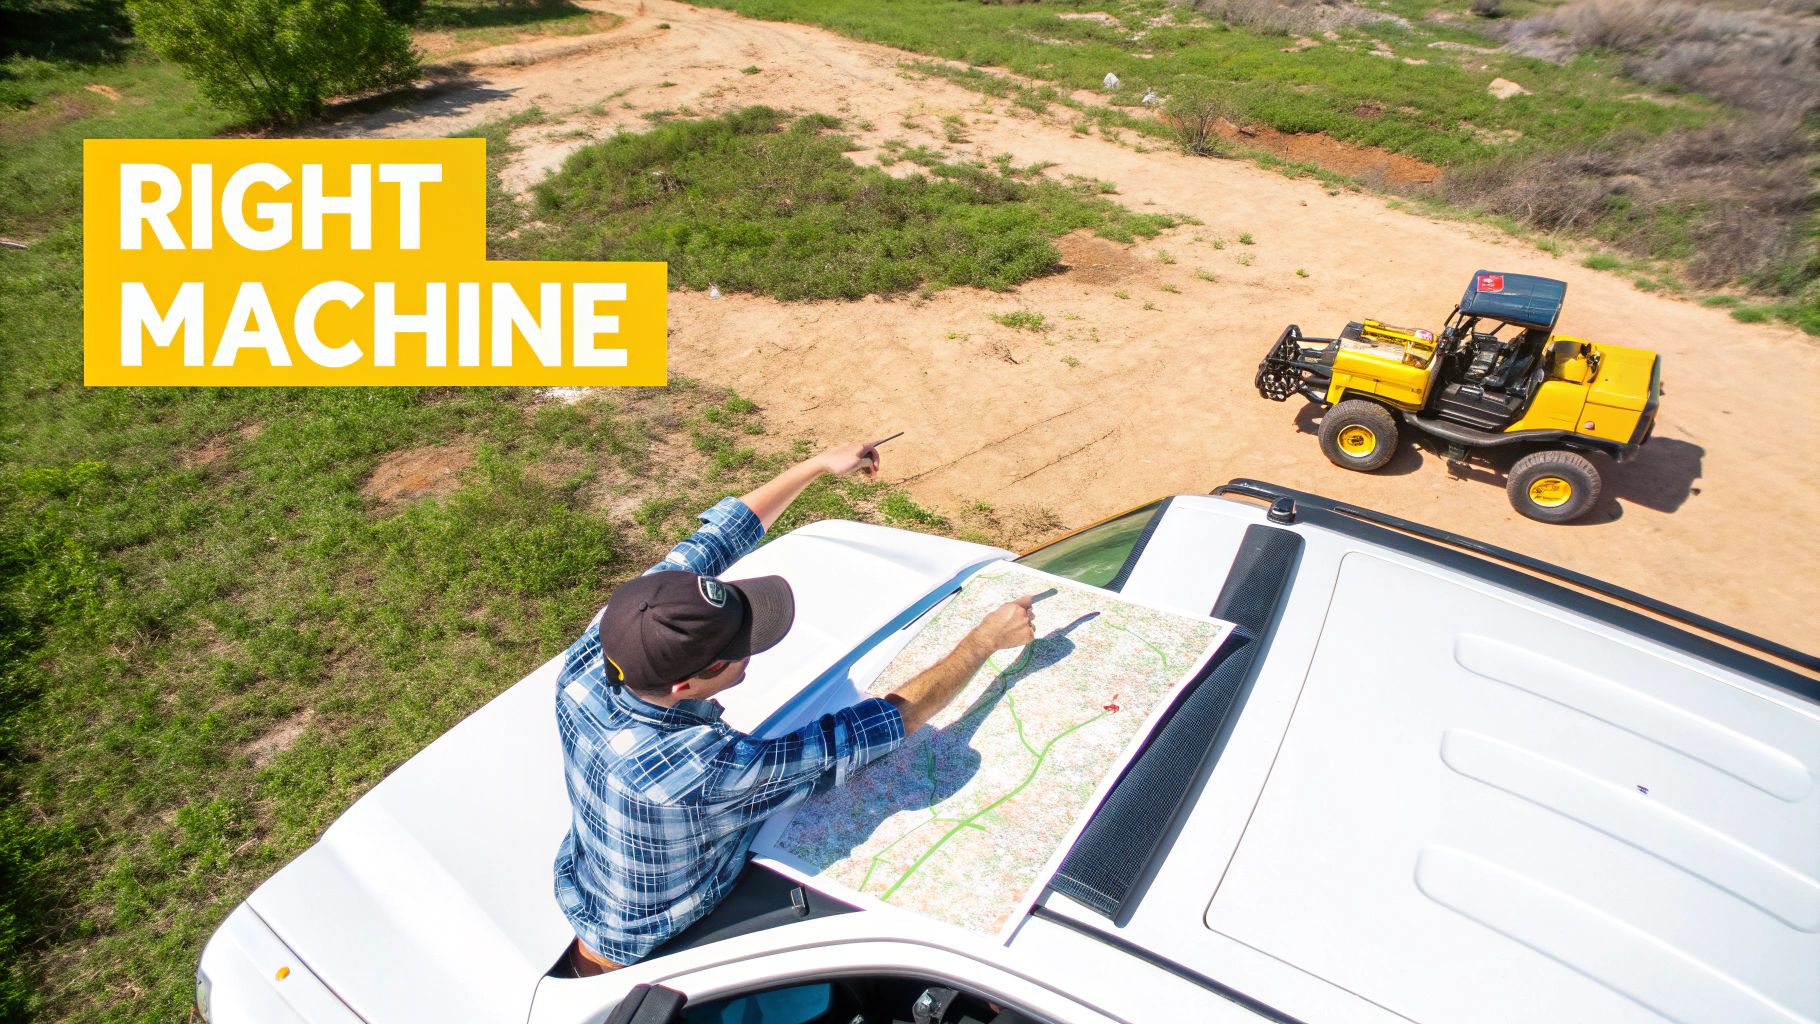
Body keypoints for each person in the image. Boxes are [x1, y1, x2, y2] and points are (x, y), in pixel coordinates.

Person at [551, 441, 1037, 976]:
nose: (751, 653)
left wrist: (816, 466)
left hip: (589, 891)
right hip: (653, 939)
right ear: (691, 682)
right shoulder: (704, 771)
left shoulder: (597, 656)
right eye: (746, 647)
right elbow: (871, 730)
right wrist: (982, 644)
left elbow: (712, 540)